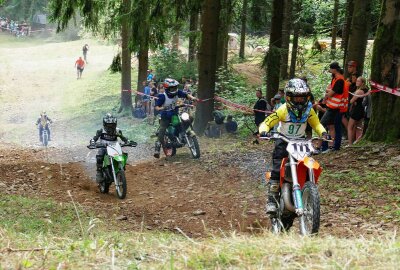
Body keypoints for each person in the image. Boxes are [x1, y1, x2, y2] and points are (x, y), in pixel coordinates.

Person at [259, 78, 328, 214]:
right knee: (277, 169)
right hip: (283, 141)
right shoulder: (282, 110)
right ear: (289, 97)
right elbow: (268, 121)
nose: (299, 101)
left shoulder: (309, 111)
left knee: (308, 166)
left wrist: (324, 133)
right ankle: (272, 200)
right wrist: (263, 131)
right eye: (296, 98)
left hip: (301, 143)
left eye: (302, 98)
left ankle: (309, 193)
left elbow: (317, 124)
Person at [154, 78, 197, 158]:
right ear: (167, 88)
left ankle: (182, 134)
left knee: (189, 118)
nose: (175, 89)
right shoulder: (162, 96)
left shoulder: (177, 92)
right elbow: (156, 107)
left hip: (175, 114)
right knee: (162, 128)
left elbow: (186, 95)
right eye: (173, 88)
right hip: (166, 116)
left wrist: (192, 98)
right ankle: (157, 147)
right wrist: (161, 108)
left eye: (175, 87)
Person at [89, 113, 136, 183]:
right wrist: (93, 143)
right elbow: (94, 138)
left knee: (124, 155)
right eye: (109, 125)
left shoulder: (118, 131)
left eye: (112, 125)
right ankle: (99, 172)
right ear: (105, 124)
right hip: (104, 147)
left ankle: (121, 168)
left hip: (115, 147)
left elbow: (123, 138)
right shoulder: (101, 131)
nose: (110, 127)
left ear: (115, 124)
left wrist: (128, 142)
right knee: (100, 155)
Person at [321, 62, 345, 152]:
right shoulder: (335, 79)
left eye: (331, 69)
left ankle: (324, 146)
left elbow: (331, 93)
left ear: (335, 69)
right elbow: (330, 91)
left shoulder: (339, 80)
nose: (330, 71)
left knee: (321, 125)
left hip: (334, 108)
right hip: (332, 106)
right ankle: (330, 146)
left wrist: (327, 92)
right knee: (331, 127)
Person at [347, 77, 369, 146]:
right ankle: (357, 142)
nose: (356, 82)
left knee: (350, 127)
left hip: (356, 110)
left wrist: (353, 101)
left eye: (358, 81)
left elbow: (351, 101)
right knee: (358, 127)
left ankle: (350, 143)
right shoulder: (366, 90)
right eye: (356, 81)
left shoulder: (359, 91)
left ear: (362, 83)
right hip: (362, 110)